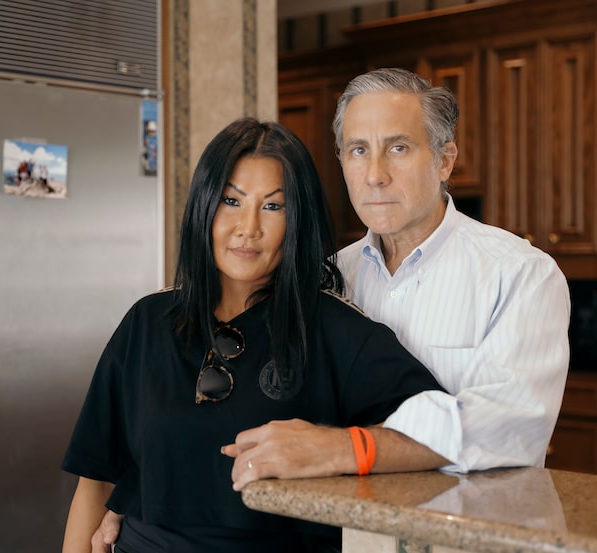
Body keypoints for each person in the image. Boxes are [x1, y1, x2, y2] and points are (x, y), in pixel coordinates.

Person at [91, 68, 571, 551]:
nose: (376, 172)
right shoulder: (320, 280)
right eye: (358, 150)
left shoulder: (520, 274)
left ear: (446, 160)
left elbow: (509, 426)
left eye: (398, 147)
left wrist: (347, 445)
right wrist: (136, 494)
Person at [61, 117, 445, 553]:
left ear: (297, 218)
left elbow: (441, 434)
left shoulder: (336, 330)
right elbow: (94, 484)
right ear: (204, 206)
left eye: (273, 206)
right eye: (231, 200)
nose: (248, 228)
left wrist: (341, 447)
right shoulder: (148, 322)